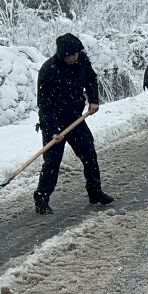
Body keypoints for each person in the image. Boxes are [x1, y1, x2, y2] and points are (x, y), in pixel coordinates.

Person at [34, 33, 114, 214]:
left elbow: (91, 79)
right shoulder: (48, 70)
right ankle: (41, 198)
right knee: (52, 162)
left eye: (75, 54)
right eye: (69, 55)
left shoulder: (81, 60)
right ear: (61, 54)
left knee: (89, 154)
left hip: (75, 119)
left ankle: (95, 192)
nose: (73, 58)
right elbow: (44, 104)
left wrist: (94, 100)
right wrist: (54, 130)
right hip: (52, 121)